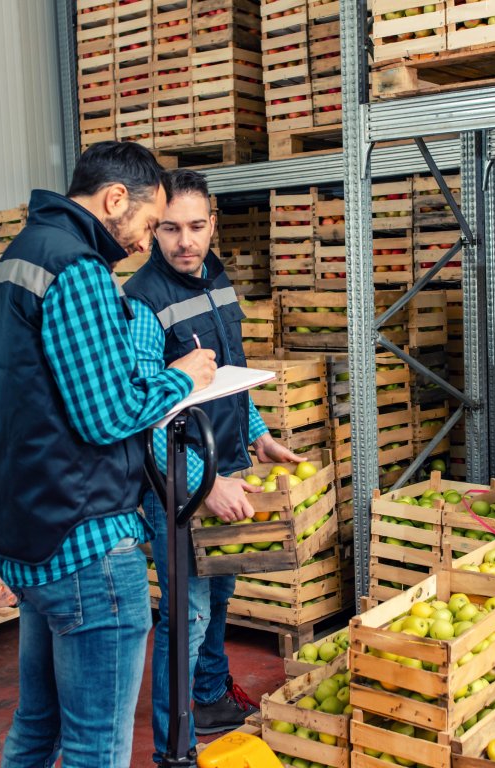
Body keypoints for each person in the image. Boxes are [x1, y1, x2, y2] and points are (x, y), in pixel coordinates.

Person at [0, 142, 217, 768]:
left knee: (35, 728)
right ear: (114, 200)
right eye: (146, 223)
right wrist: (183, 378)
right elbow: (107, 414)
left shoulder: (13, 263)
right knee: (96, 747)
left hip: (28, 530)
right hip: (84, 542)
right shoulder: (77, 270)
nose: (144, 242)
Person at [124, 169, 305, 760]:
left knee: (220, 595)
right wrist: (202, 482)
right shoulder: (143, 302)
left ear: (212, 224)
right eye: (171, 228)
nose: (185, 241)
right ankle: (175, 742)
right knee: (188, 612)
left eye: (197, 227)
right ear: (155, 229)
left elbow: (230, 374)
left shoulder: (218, 281)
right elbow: (148, 412)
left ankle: (208, 697)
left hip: (227, 466)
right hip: (179, 480)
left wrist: (259, 437)